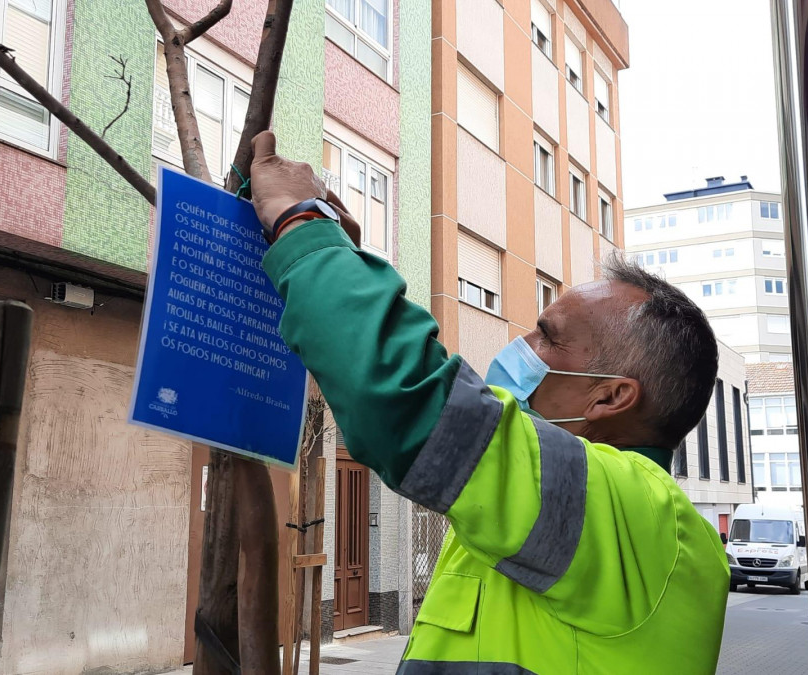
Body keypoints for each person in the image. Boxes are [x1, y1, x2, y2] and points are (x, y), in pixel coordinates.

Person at [250, 131, 729, 674]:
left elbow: (408, 401)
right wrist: (339, 266)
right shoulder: (544, 512)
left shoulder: (643, 517)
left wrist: (302, 225)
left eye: (547, 335)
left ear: (611, 396)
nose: (521, 347)